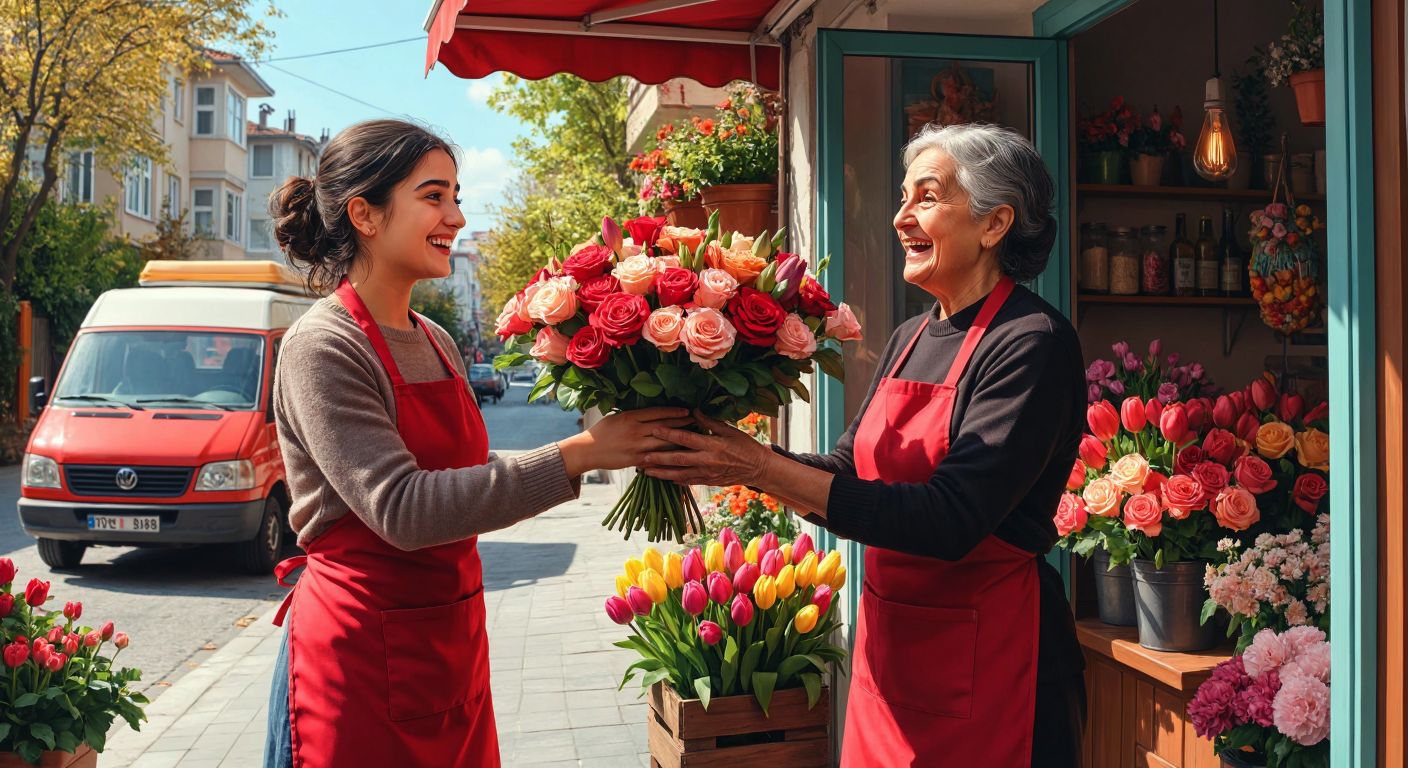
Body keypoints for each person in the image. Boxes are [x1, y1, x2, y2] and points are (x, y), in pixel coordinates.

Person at [641, 123, 1087, 767]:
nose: (901, 216)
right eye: (903, 197)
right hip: (891, 657)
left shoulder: (1029, 343)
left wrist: (760, 466)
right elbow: (848, 470)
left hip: (996, 662)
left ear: (995, 224)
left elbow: (950, 519)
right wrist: (725, 451)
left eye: (927, 197)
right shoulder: (911, 335)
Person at [261, 119, 687, 768]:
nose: (455, 217)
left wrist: (605, 446)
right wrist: (582, 453)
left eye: (457, 196)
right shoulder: (324, 345)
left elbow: (465, 474)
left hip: (447, 642)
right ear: (365, 214)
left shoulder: (434, 338)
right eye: (434, 197)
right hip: (359, 656)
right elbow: (402, 509)